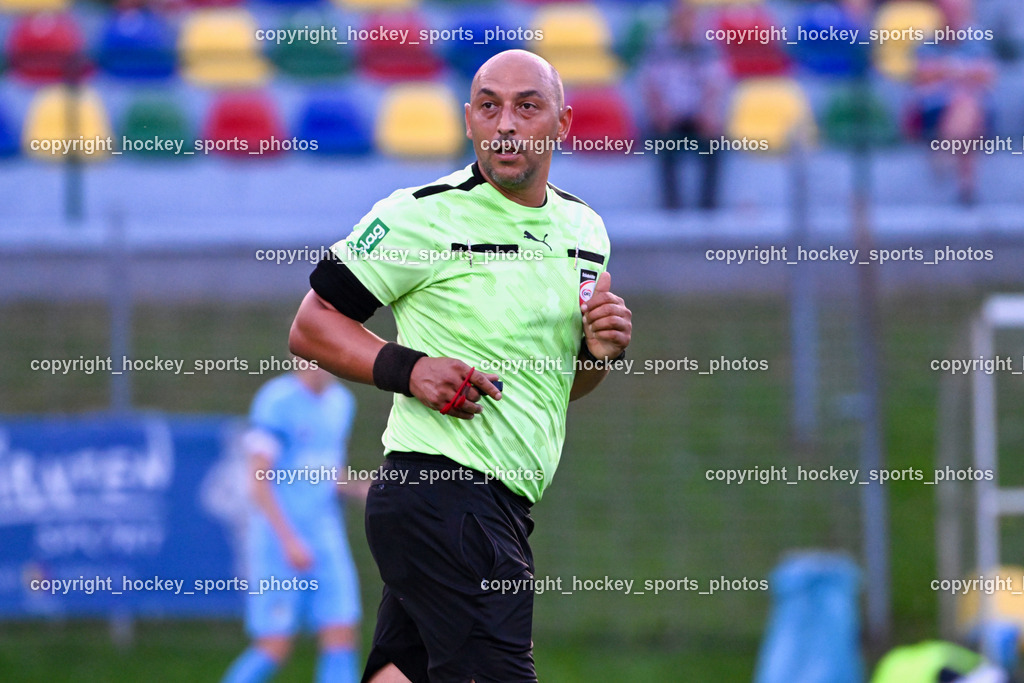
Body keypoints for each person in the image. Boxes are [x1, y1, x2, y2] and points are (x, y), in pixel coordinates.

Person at [288, 49, 632, 683]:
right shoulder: (421, 214)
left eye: (527, 106)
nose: (505, 122)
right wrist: (408, 368)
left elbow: (561, 386)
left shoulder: (585, 229)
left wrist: (596, 351)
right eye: (488, 105)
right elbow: (311, 326)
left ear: (562, 123)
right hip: (444, 497)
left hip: (496, 506)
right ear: (468, 120)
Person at [222, 365, 368, 683]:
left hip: (327, 536)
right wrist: (289, 540)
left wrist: (362, 489)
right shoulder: (276, 400)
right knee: (274, 645)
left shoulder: (342, 402)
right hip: (279, 539)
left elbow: (328, 473)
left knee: (341, 632)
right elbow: (257, 480)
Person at [640, 2, 728, 210]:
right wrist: (660, 113)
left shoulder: (707, 48)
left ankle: (708, 207)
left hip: (699, 116)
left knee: (716, 145)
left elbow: (715, 85)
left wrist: (709, 113)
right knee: (664, 144)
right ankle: (672, 207)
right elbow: (649, 85)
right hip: (669, 117)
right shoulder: (659, 48)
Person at [912, 0, 996, 205]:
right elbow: (923, 75)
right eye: (948, 11)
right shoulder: (929, 40)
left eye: (957, 11)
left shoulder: (977, 39)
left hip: (973, 109)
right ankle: (967, 188)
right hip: (935, 110)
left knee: (967, 104)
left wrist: (946, 70)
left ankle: (945, 152)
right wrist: (962, 71)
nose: (953, 16)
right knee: (967, 109)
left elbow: (988, 75)